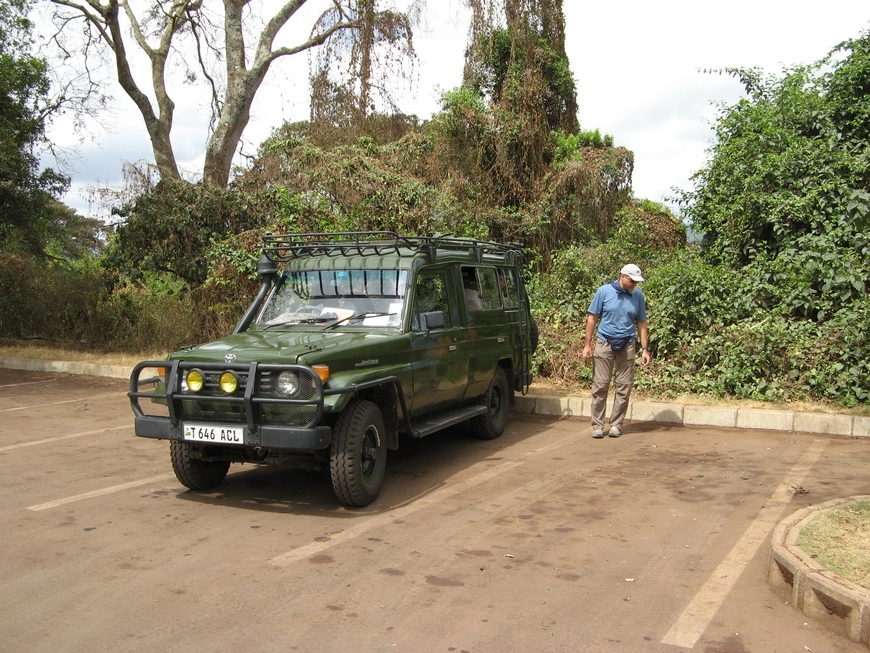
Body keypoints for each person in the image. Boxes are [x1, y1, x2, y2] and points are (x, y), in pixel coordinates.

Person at [581, 264, 651, 439]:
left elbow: (641, 323)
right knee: (600, 385)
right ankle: (597, 425)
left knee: (624, 386)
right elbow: (592, 318)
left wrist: (645, 349)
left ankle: (616, 424)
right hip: (604, 343)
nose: (634, 284)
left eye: (636, 281)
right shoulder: (603, 292)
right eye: (632, 281)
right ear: (623, 276)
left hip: (627, 345)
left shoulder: (638, 296)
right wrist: (587, 345)